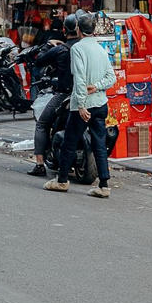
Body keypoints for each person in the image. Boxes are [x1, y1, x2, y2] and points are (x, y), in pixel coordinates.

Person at [45, 11, 116, 198]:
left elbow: (80, 79)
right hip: (101, 103)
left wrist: (82, 105)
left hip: (83, 105)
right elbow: (111, 77)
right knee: (99, 144)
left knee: (69, 141)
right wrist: (97, 87)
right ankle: (104, 184)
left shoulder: (77, 49)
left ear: (78, 29)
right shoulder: (101, 49)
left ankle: (61, 181)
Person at [29, 14, 78, 176]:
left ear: (65, 30)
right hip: (87, 94)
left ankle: (39, 164)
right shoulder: (86, 48)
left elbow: (39, 60)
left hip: (64, 94)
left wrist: (48, 45)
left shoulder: (60, 49)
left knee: (42, 124)